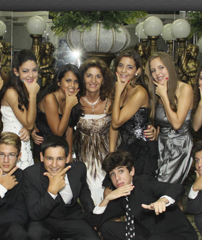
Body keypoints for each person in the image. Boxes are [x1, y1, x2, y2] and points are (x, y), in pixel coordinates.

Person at [89, 151, 197, 240]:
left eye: (121, 171)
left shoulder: (143, 182)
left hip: (180, 239)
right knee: (108, 228)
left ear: (132, 171)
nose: (117, 178)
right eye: (112, 174)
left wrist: (163, 200)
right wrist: (107, 199)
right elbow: (95, 221)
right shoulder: (120, 196)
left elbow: (176, 188)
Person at [24, 135, 101, 240]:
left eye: (59, 159)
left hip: (71, 217)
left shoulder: (79, 169)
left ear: (68, 158)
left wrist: (93, 220)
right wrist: (51, 192)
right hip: (45, 220)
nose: (54, 165)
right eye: (49, 158)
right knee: (34, 234)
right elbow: (34, 214)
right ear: (42, 157)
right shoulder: (31, 174)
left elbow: (85, 195)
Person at [146, 52, 194, 184]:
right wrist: (154, 129)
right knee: (162, 189)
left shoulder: (185, 88)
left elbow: (177, 123)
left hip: (179, 147)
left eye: (161, 67)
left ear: (169, 67)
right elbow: (160, 120)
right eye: (153, 70)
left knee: (165, 188)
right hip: (162, 146)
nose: (157, 73)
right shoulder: (157, 90)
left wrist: (164, 97)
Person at [109, 50, 158, 177]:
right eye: (121, 65)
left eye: (129, 67)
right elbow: (114, 126)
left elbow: (116, 122)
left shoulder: (139, 92)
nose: (124, 70)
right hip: (126, 147)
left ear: (138, 71)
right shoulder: (120, 89)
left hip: (142, 149)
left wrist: (118, 92)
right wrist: (112, 154)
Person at [75, 58, 114, 205]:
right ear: (82, 78)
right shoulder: (75, 101)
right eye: (89, 75)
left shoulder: (111, 103)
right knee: (86, 200)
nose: (93, 80)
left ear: (103, 80)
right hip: (82, 158)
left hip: (105, 158)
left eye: (98, 76)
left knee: (105, 198)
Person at [0, 49, 40, 170]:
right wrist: (33, 95)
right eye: (25, 71)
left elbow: (30, 119)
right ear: (16, 72)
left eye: (34, 70)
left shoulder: (26, 88)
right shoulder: (12, 92)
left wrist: (29, 129)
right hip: (10, 143)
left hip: (23, 140)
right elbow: (29, 122)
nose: (31, 75)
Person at [32, 64, 81, 161]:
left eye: (76, 81)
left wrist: (69, 158)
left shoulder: (71, 98)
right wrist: (68, 106)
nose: (72, 85)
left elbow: (69, 129)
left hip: (59, 148)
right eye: (68, 80)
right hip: (44, 149)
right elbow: (58, 133)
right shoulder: (50, 98)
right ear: (58, 82)